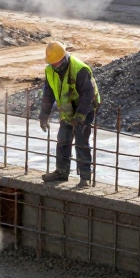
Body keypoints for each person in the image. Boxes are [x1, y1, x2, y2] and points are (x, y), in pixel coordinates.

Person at [37, 41, 100, 188]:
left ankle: (85, 177)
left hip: (85, 107)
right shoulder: (50, 70)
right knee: (63, 139)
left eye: (57, 63)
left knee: (81, 140)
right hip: (67, 108)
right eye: (52, 64)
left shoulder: (80, 69)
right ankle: (61, 172)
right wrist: (44, 113)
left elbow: (88, 95)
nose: (55, 66)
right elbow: (49, 92)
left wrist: (80, 116)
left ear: (64, 58)